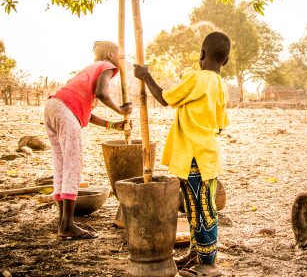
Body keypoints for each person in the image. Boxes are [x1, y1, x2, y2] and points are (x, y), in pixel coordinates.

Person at [134, 31, 231, 277]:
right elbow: (220, 124)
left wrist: (146, 76)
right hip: (206, 155)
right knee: (194, 206)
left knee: (201, 207)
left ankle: (208, 262)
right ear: (226, 61)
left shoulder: (197, 79)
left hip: (193, 156)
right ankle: (196, 252)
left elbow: (165, 98)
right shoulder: (221, 85)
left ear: (201, 54)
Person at [44, 41, 132, 240]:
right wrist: (121, 109)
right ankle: (67, 225)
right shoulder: (108, 66)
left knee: (61, 164)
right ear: (110, 53)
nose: (122, 58)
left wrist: (112, 125)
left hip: (53, 106)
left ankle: (63, 222)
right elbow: (102, 93)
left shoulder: (89, 70)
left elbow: (87, 114)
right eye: (119, 53)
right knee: (73, 165)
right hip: (65, 111)